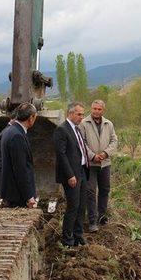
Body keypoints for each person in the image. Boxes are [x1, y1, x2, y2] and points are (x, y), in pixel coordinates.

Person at [53, 102, 89, 247]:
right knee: (73, 206)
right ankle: (67, 240)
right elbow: (61, 155)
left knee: (81, 206)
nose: (82, 117)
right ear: (70, 113)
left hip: (81, 171)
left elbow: (79, 150)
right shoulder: (61, 130)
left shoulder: (77, 129)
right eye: (79, 114)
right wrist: (70, 175)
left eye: (82, 114)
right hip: (71, 175)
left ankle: (78, 235)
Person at [79, 100, 118, 232]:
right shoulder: (84, 123)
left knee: (105, 190)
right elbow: (82, 142)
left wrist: (105, 153)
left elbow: (114, 140)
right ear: (91, 109)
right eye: (94, 108)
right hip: (90, 164)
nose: (96, 111)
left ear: (103, 110)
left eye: (99, 109)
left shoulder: (109, 124)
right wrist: (92, 156)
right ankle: (92, 220)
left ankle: (102, 216)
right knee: (90, 191)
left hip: (105, 163)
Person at [0, 103, 37, 208]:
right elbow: (21, 169)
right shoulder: (17, 136)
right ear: (31, 118)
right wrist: (29, 196)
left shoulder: (8, 130)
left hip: (10, 193)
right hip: (17, 196)